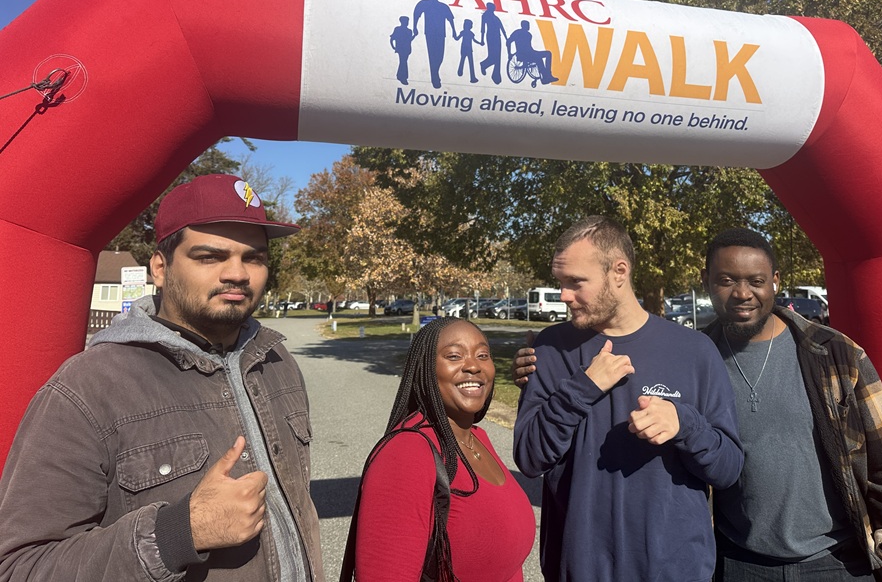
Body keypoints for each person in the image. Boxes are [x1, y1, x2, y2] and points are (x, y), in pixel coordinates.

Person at [0, 174, 324, 581]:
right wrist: (176, 534)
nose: (238, 273)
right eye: (210, 256)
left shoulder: (277, 360)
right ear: (159, 267)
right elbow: (19, 567)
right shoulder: (88, 387)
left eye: (254, 257)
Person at [699, 227, 882, 581]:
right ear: (707, 281)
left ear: (775, 281)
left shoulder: (835, 355)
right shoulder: (694, 361)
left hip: (837, 562)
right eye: (727, 280)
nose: (743, 294)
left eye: (756, 281)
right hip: (738, 563)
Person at [512, 216, 743, 582]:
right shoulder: (550, 349)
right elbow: (529, 457)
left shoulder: (694, 351)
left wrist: (685, 424)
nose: (564, 296)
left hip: (676, 571)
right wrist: (582, 387)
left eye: (576, 282)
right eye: (561, 282)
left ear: (619, 271)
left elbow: (728, 469)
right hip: (578, 569)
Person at [342, 317, 535, 581]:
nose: (473, 367)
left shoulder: (478, 438)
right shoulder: (407, 452)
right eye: (454, 356)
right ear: (426, 368)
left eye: (483, 355)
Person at [506, 20, 557, 85]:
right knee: (539, 58)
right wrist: (509, 54)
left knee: (548, 53)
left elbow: (529, 47)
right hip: (523, 55)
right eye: (527, 25)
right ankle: (546, 77)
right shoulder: (517, 33)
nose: (528, 27)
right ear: (524, 26)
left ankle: (547, 75)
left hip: (531, 53)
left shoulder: (528, 34)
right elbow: (508, 42)